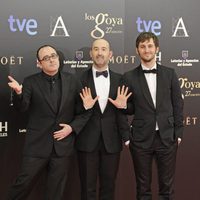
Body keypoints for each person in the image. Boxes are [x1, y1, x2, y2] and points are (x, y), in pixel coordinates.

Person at [7, 45, 92, 200]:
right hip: (36, 146)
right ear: (39, 63)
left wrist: (71, 128)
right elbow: (22, 108)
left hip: (62, 146)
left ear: (58, 58)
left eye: (53, 56)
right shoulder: (30, 82)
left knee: (55, 192)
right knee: (22, 185)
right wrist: (18, 93)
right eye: (46, 58)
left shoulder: (72, 81)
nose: (51, 60)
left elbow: (84, 112)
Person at [112, 32, 184, 200]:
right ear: (137, 50)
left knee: (167, 188)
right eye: (143, 47)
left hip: (167, 137)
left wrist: (178, 134)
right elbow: (125, 109)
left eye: (150, 46)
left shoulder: (170, 73)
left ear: (157, 49)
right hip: (140, 139)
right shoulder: (128, 77)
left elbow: (178, 104)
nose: (147, 50)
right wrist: (127, 138)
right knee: (143, 188)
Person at [75, 38, 131, 200]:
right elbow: (71, 110)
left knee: (109, 187)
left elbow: (124, 111)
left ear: (110, 54)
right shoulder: (78, 79)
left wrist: (126, 136)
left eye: (104, 49)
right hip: (86, 141)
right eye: (96, 49)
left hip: (112, 141)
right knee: (87, 188)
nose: (100, 53)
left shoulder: (121, 79)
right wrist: (84, 107)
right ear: (90, 53)